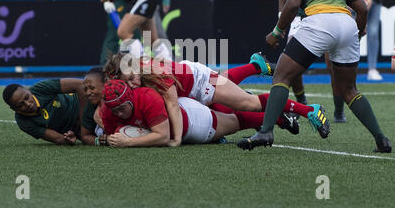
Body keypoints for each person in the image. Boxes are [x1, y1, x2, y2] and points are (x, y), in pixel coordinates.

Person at [238, 0, 392, 153]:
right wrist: (357, 31)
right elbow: (362, 8)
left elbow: (292, 4)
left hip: (319, 23)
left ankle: (266, 131)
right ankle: (381, 140)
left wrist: (277, 32)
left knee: (281, 76)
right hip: (346, 24)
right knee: (349, 90)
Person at [104, 52, 325, 145]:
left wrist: (177, 139)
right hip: (192, 82)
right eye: (127, 81)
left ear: (135, 67)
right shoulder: (139, 71)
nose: (132, 84)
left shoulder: (153, 71)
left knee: (249, 103)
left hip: (202, 83)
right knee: (227, 93)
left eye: (132, 78)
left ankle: (308, 110)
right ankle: (256, 65)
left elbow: (172, 103)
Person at [100, 80, 298, 148]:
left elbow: (161, 136)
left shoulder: (146, 97)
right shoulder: (108, 110)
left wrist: (129, 142)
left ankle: (280, 115)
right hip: (182, 104)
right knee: (231, 106)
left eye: (122, 107)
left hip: (192, 121)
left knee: (237, 120)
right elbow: (110, 135)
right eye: (114, 109)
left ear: (131, 98)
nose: (119, 113)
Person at [2, 78, 87, 145]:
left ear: (28, 90)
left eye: (27, 97)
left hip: (85, 108)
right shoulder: (23, 122)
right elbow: (58, 138)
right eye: (21, 105)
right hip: (77, 130)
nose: (28, 104)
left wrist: (85, 123)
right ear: (13, 109)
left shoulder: (41, 88)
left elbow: (80, 85)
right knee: (90, 140)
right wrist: (68, 139)